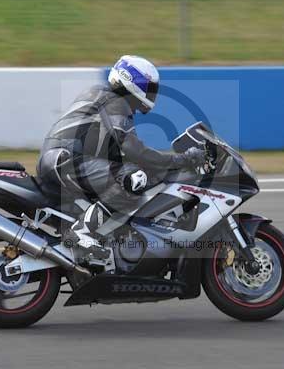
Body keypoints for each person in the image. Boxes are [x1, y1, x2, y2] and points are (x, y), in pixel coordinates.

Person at [37, 55, 205, 257]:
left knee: (132, 173)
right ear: (132, 81)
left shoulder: (104, 97)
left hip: (62, 159)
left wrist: (160, 166)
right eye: (149, 88)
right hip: (65, 160)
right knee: (134, 179)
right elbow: (133, 149)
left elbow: (120, 153)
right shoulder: (115, 101)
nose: (152, 94)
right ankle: (80, 232)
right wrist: (180, 160)